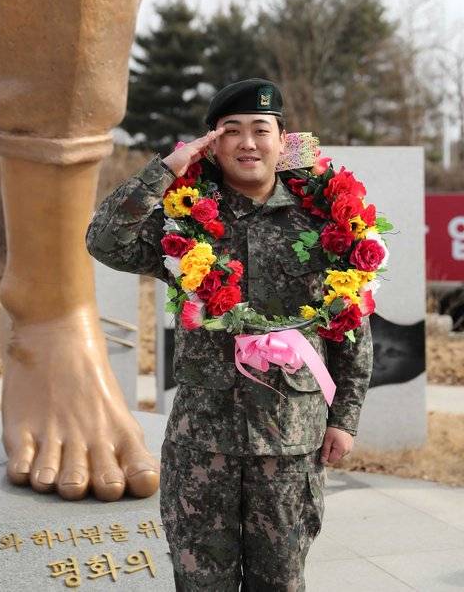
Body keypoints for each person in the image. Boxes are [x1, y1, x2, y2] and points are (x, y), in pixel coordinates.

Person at [86, 78, 374, 591]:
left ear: (282, 141)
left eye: (260, 130)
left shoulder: (325, 219)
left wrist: (345, 418)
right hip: (203, 446)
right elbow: (104, 239)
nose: (247, 143)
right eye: (230, 131)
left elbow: (352, 327)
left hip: (290, 443)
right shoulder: (186, 218)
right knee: (200, 585)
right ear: (212, 145)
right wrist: (166, 172)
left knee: (281, 583)